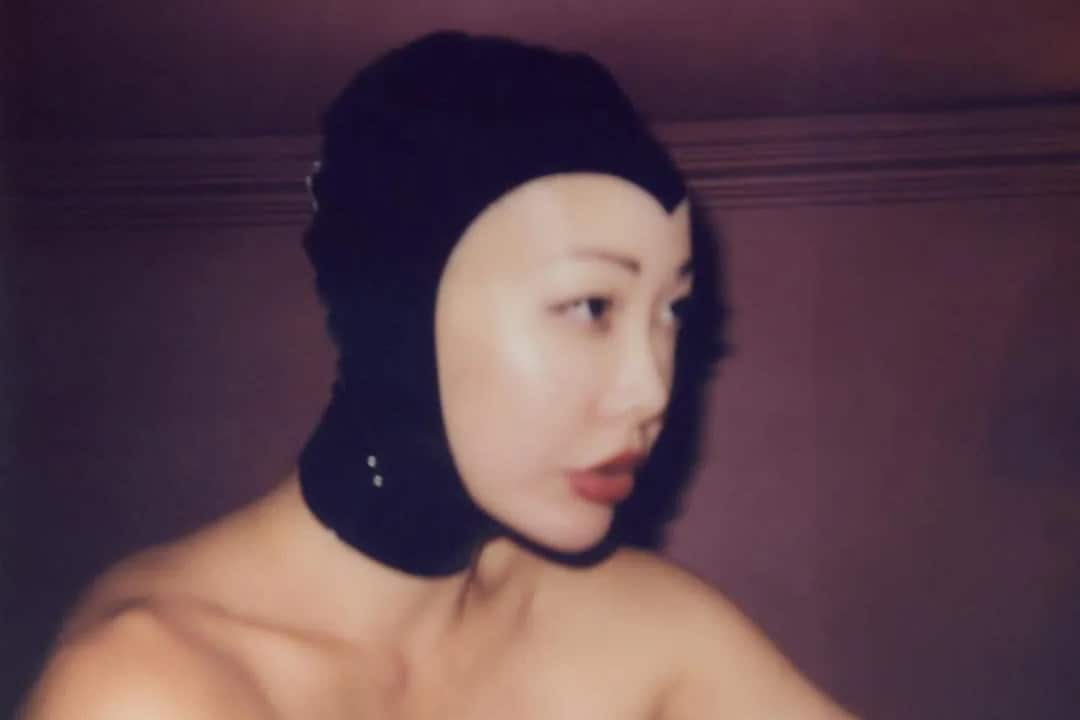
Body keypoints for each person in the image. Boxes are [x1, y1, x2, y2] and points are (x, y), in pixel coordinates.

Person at [20, 32, 854, 718]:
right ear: (398, 316)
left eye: (672, 311)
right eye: (592, 305)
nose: (650, 391)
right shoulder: (148, 691)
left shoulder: (635, 624)